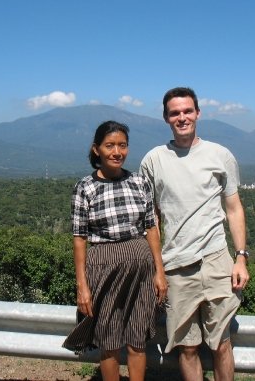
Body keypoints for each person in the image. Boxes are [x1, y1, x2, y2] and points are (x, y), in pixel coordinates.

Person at [139, 87, 250, 381]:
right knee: (187, 349)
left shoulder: (220, 155)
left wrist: (240, 258)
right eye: (175, 113)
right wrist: (156, 268)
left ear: (198, 113)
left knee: (221, 344)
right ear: (166, 118)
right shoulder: (153, 160)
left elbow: (234, 208)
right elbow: (151, 219)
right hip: (176, 267)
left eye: (187, 111)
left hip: (216, 261)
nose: (182, 117)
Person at [62, 120, 167, 381]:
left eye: (122, 145)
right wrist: (82, 286)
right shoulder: (85, 187)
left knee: (137, 339)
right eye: (110, 146)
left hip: (141, 269)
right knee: (109, 341)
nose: (117, 152)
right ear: (96, 150)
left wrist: (159, 271)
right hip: (104, 268)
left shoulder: (140, 183)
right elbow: (79, 239)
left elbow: (151, 228)